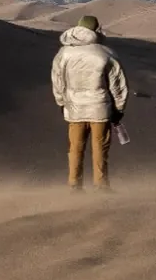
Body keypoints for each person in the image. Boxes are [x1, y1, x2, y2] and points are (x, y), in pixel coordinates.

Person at [51, 14, 129, 192]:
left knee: (75, 148)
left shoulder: (64, 53)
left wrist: (61, 101)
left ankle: (74, 185)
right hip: (100, 108)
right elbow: (117, 84)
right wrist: (119, 107)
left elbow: (57, 81)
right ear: (96, 30)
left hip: (74, 109)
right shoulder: (105, 53)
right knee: (100, 148)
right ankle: (101, 185)